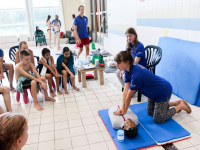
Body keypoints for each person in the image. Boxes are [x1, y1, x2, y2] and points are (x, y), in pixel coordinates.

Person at [113, 51, 192, 124]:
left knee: (158, 119)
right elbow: (125, 91)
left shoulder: (136, 75)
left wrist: (124, 110)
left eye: (119, 63)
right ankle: (174, 103)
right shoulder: (127, 69)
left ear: (127, 62)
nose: (117, 65)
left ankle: (180, 106)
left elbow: (129, 97)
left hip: (162, 91)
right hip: (153, 93)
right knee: (150, 112)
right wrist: (122, 108)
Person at [116, 28, 147, 92]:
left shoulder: (140, 46)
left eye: (130, 36)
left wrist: (124, 70)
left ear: (135, 35)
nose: (128, 38)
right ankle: (127, 89)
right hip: (131, 66)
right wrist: (123, 68)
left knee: (125, 76)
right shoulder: (129, 45)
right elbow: (126, 58)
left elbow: (135, 62)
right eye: (127, 36)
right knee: (118, 72)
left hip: (139, 67)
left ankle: (132, 90)